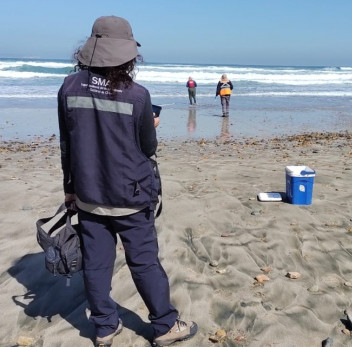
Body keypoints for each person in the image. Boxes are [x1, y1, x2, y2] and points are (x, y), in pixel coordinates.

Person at [57, 16, 197, 347]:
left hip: (88, 192)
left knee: (97, 262)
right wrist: (151, 123)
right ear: (128, 55)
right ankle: (164, 325)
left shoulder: (68, 87)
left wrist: (69, 189)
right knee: (144, 261)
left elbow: (67, 143)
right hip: (131, 195)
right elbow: (147, 147)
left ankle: (104, 326)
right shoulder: (137, 96)